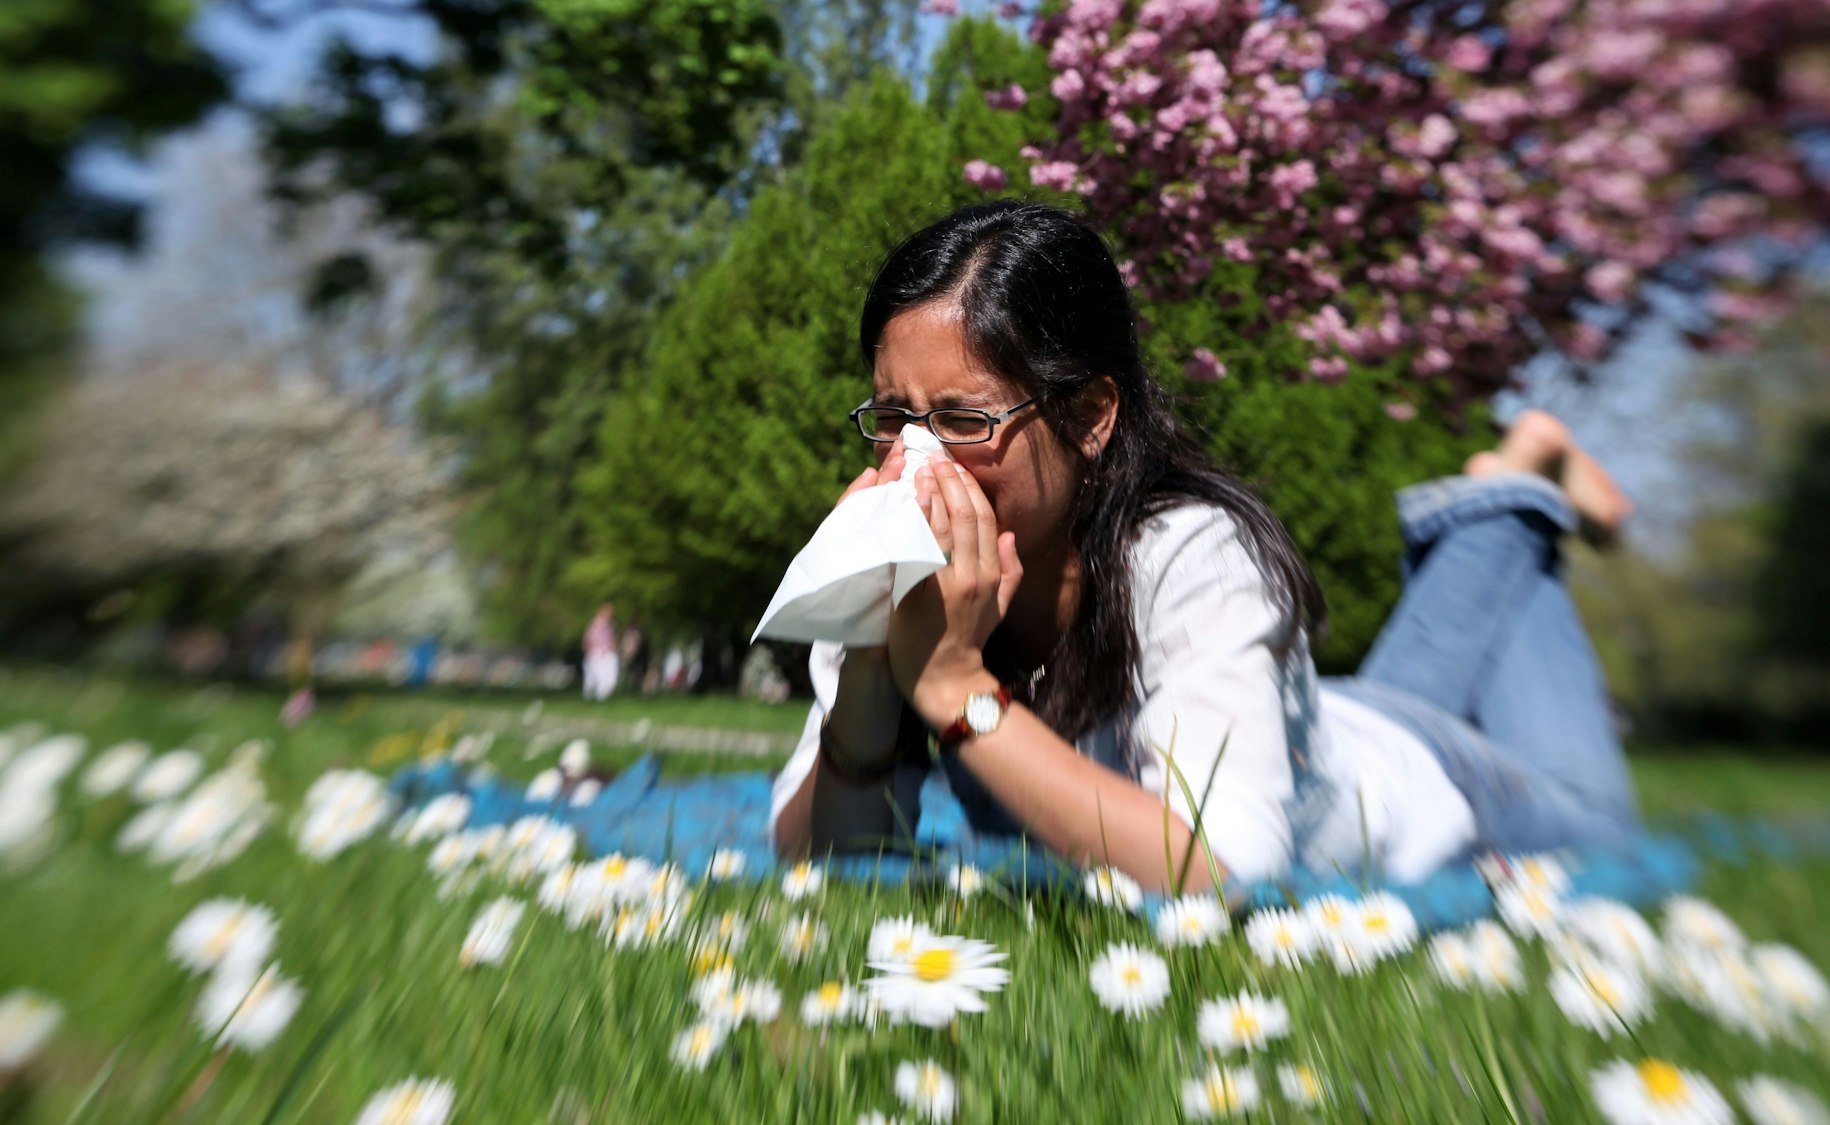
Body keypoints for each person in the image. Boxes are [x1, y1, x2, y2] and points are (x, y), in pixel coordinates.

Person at [769, 200, 1639, 892]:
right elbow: (829, 871)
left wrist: (957, 688)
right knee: (1373, 709)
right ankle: (1509, 488)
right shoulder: (896, 567)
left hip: (1432, 788)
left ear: (1088, 416)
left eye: (963, 419)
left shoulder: (1191, 553)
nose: (914, 462)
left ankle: (1516, 496)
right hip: (1317, 727)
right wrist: (875, 678)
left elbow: (1224, 871)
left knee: (1605, 833)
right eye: (892, 418)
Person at [582, 604, 620, 701]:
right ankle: (597, 696)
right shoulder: (596, 624)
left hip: (607, 653)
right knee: (598, 676)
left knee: (609, 676)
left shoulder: (609, 624)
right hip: (598, 653)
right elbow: (589, 639)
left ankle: (601, 696)